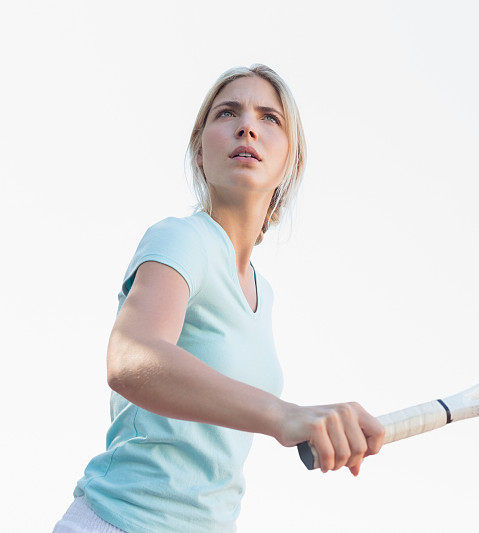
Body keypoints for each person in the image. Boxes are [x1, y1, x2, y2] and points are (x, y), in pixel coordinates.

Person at [53, 64, 385, 532]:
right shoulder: (182, 239)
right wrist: (283, 415)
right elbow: (130, 358)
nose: (247, 125)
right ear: (200, 154)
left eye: (270, 118)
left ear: (290, 160)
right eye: (227, 112)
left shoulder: (261, 292)